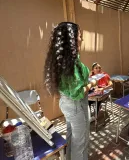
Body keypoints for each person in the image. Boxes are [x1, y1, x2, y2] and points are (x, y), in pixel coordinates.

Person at [44, 22, 96, 160]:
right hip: (76, 105)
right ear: (71, 39)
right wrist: (92, 83)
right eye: (79, 35)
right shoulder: (71, 62)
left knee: (71, 135)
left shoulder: (60, 59)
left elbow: (70, 85)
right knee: (81, 141)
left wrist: (86, 78)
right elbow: (78, 93)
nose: (81, 39)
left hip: (67, 104)